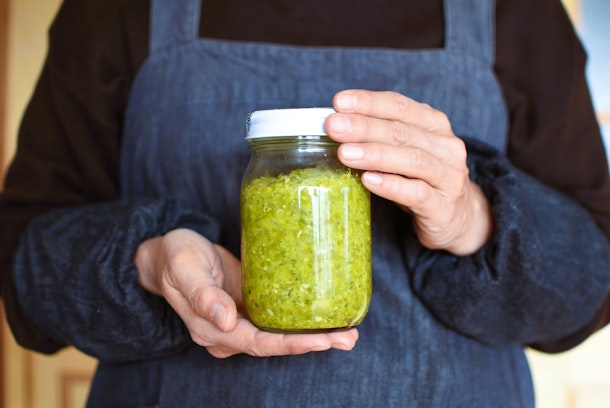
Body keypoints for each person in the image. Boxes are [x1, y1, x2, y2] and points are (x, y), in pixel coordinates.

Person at [1, 0, 610, 406]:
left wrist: (473, 218)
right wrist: (147, 262)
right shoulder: (115, 8)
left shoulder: (517, 11)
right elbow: (22, 262)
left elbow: (594, 279)